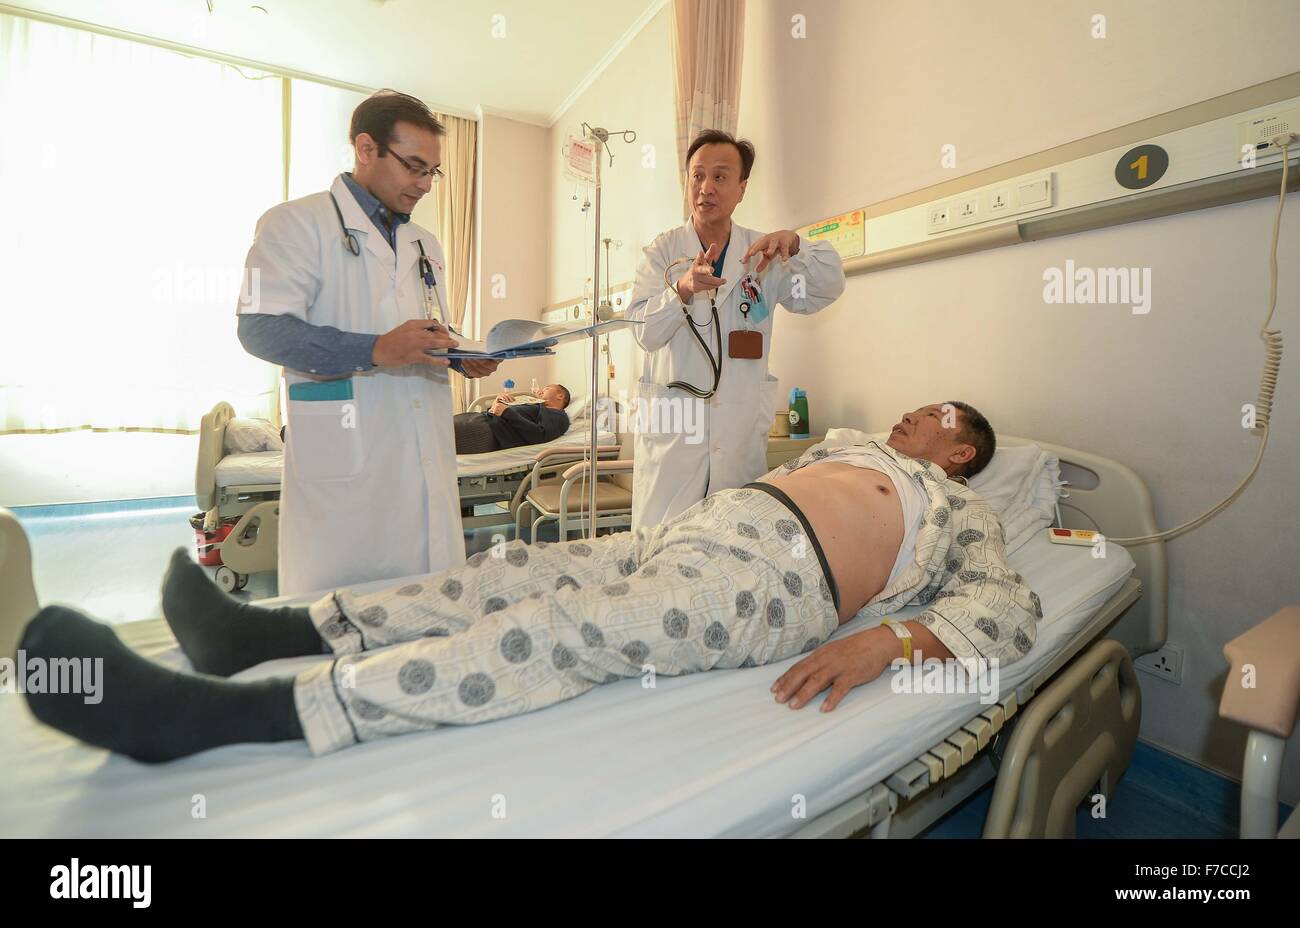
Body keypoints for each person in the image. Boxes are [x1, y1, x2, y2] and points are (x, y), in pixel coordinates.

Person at [19, 402, 1042, 763]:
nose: (914, 417)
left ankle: (226, 715)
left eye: (938, 416)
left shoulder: (964, 512)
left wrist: (893, 642)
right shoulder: (847, 445)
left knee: (562, 629)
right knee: (504, 572)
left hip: (779, 583)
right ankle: (265, 628)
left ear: (962, 451)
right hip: (698, 524)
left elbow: (1007, 611)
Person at [236, 90, 499, 596]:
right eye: (413, 167)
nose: (424, 184)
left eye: (433, 172)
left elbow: (427, 329)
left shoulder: (427, 242)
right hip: (345, 466)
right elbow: (258, 328)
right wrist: (376, 349)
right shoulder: (293, 222)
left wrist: (462, 356)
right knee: (342, 624)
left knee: (429, 616)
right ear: (365, 148)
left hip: (423, 457)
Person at [624, 129, 846, 531]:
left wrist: (796, 246)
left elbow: (828, 288)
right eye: (697, 175)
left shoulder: (765, 254)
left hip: (739, 442)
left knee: (732, 556)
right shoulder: (662, 252)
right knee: (663, 559)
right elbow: (643, 331)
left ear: (742, 188)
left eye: (721, 176)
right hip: (675, 448)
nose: (706, 187)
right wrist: (682, 291)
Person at [452, 384, 572, 454]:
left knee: (438, 435)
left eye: (547, 388)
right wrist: (497, 403)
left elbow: (540, 435)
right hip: (482, 421)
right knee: (438, 428)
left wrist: (506, 411)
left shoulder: (559, 415)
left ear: (560, 396)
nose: (541, 391)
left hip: (488, 432)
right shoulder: (537, 405)